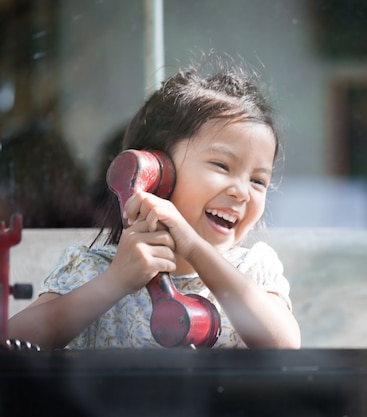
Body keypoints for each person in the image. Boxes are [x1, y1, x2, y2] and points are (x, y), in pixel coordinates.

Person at [8, 55, 301, 349]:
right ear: (155, 170)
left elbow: (285, 346)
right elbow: (12, 342)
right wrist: (115, 281)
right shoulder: (92, 271)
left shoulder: (254, 271)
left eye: (258, 181)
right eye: (222, 166)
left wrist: (195, 249)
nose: (242, 192)